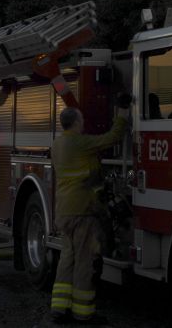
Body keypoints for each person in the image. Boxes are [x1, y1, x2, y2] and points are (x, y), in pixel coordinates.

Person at [49, 106, 127, 324]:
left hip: (63, 211)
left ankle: (59, 309)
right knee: (85, 261)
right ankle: (83, 314)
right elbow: (112, 137)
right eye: (82, 119)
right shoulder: (79, 143)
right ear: (75, 122)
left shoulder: (57, 144)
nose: (84, 122)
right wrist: (123, 114)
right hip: (82, 211)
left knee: (67, 258)